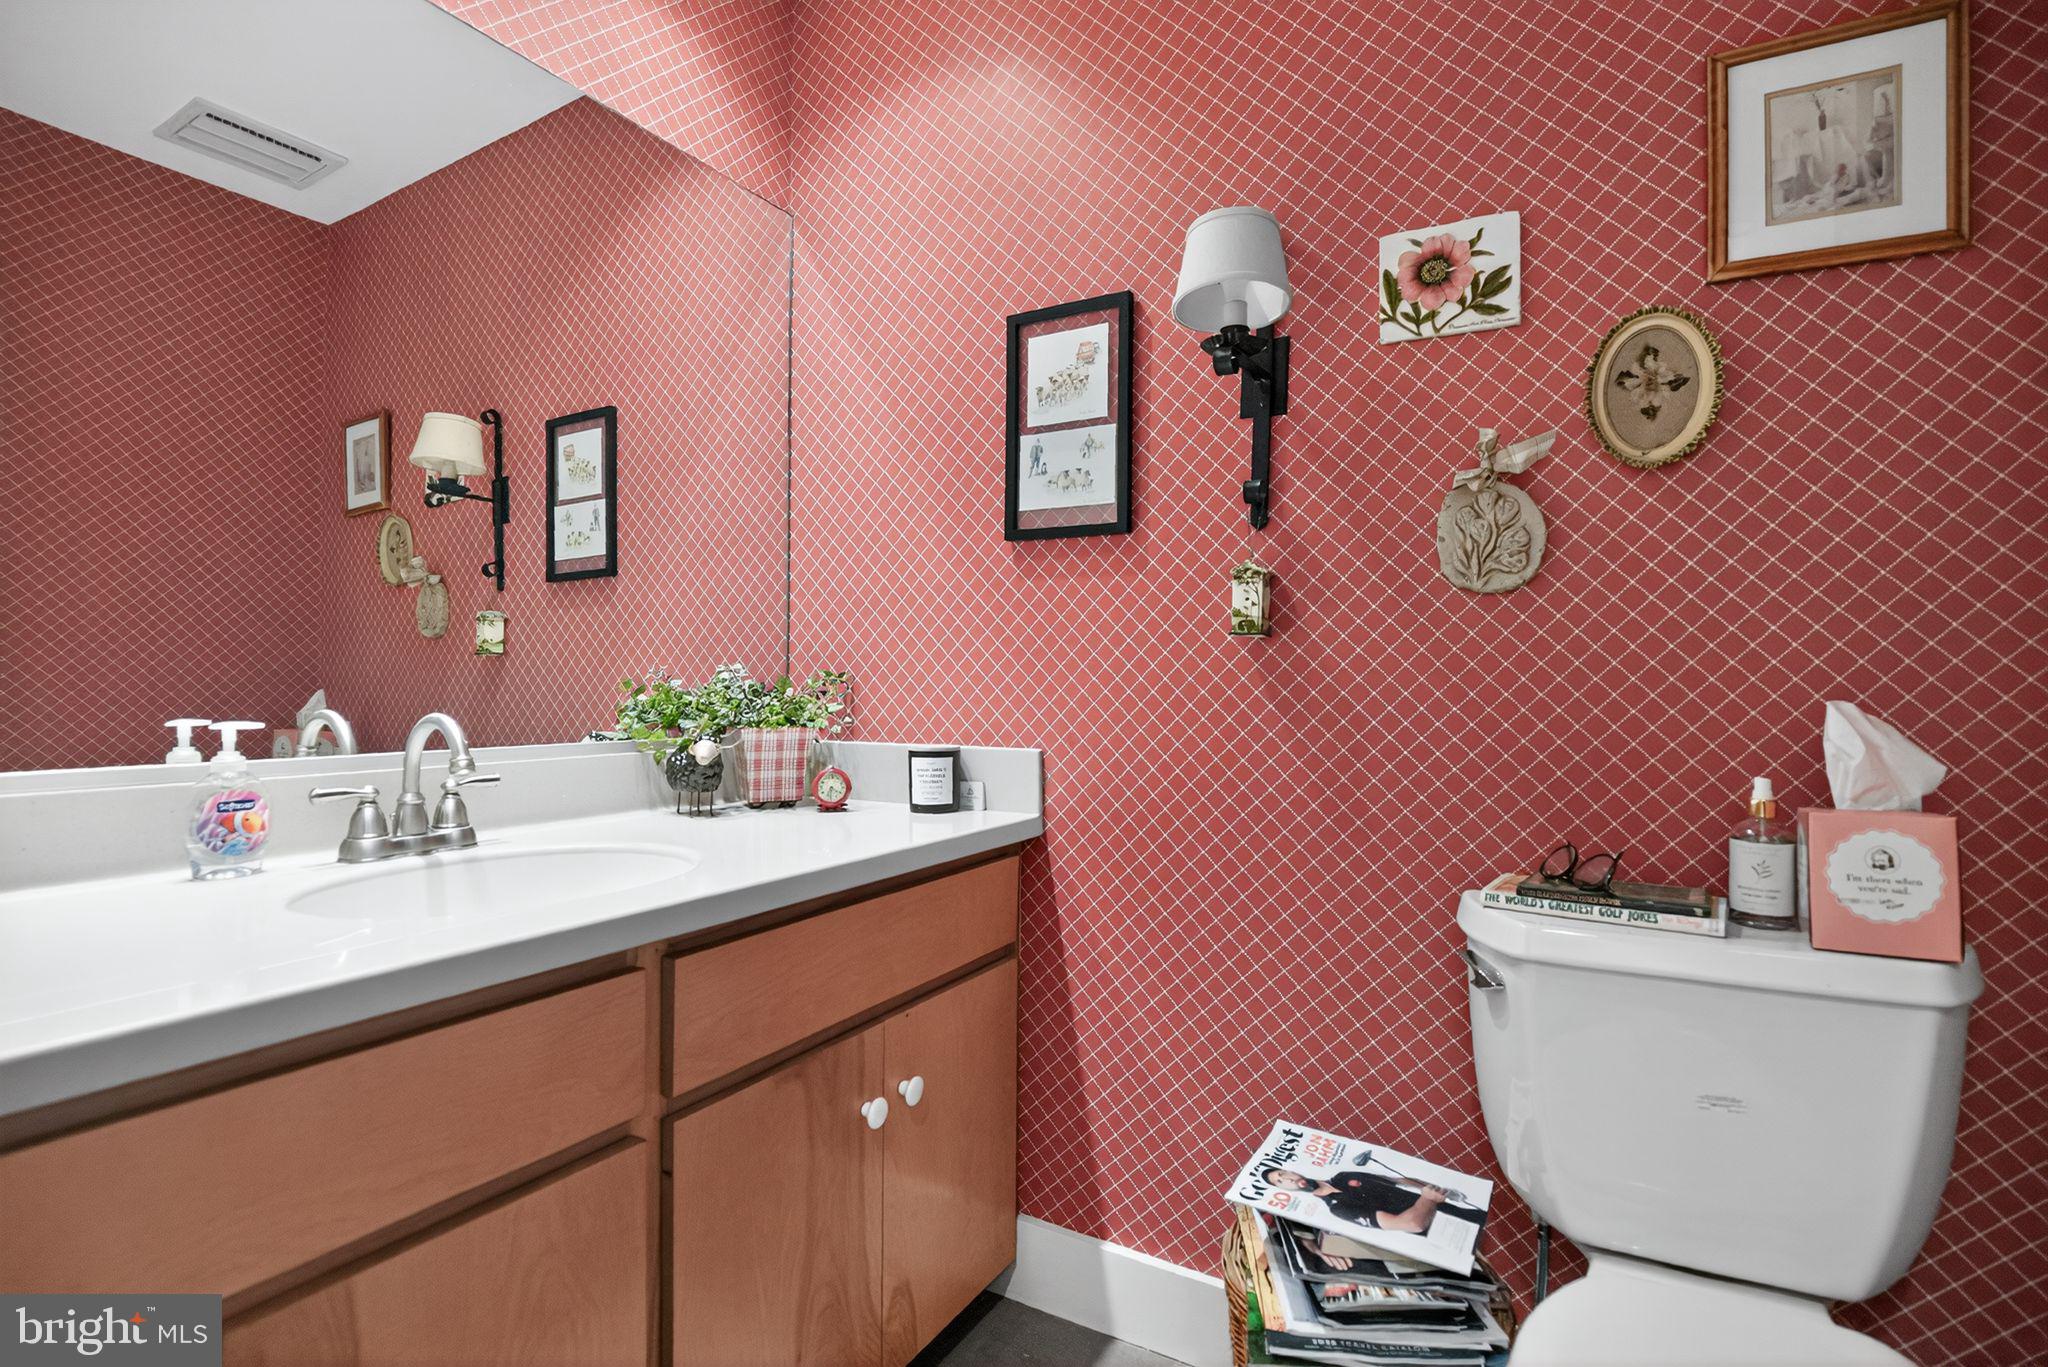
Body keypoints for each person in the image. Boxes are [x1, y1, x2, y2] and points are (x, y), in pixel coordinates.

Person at [1264, 1165, 1482, 1235]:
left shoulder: (1344, 1175)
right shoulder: (1339, 1209)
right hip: (1452, 1231)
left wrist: (1434, 1189)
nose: (1288, 1179)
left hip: (1464, 1211)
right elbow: (1411, 1224)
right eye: (1281, 1182)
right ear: (1286, 1190)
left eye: (1284, 1173)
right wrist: (1429, 1199)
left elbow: (1398, 1180)